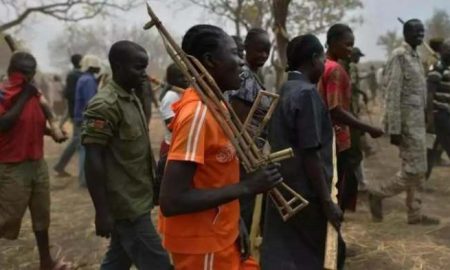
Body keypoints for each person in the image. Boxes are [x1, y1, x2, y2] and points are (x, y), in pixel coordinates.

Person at [159, 24, 281, 270]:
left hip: (221, 232)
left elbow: (215, 177)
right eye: (234, 53)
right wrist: (247, 187)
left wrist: (236, 222)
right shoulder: (197, 116)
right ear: (210, 60)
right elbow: (172, 200)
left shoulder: (218, 106)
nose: (241, 62)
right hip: (202, 243)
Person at [81, 41, 171, 269]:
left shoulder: (131, 98)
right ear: (119, 67)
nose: (144, 74)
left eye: (145, 67)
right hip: (126, 206)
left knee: (118, 260)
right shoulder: (104, 105)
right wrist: (101, 211)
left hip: (137, 197)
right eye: (138, 68)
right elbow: (93, 160)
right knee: (158, 263)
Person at [261, 34, 346, 270]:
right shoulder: (307, 93)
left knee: (288, 252)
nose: (323, 64)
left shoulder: (286, 87)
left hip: (285, 187)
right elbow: (310, 153)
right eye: (322, 59)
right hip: (305, 192)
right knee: (322, 254)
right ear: (313, 59)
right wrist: (327, 201)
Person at [0, 52, 70, 270]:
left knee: (42, 215)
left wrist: (52, 132)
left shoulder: (33, 94)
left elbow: (32, 123)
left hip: (36, 164)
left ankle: (46, 262)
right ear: (15, 73)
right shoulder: (4, 93)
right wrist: (24, 95)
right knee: (7, 220)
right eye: (27, 74)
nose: (29, 78)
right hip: (12, 166)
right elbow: (4, 125)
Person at [368, 19, 440, 225]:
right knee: (413, 169)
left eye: (422, 32)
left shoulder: (416, 56)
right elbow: (392, 92)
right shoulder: (399, 56)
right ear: (406, 33)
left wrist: (427, 117)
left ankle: (415, 212)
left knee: (420, 167)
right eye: (416, 31)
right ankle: (378, 194)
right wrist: (395, 128)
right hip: (407, 124)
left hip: (418, 123)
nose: (420, 35)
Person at [318, 24, 384, 212]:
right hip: (336, 138)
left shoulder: (320, 64)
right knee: (339, 189)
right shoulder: (335, 69)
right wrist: (368, 128)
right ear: (332, 43)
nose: (350, 49)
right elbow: (335, 110)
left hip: (322, 136)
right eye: (347, 45)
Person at [228, 28, 272, 232]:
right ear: (246, 48)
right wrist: (248, 154)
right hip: (245, 154)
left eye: (267, 51)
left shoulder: (253, 74)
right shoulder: (245, 76)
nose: (263, 55)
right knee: (244, 208)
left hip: (251, 152)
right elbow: (239, 122)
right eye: (259, 50)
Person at [155, 63, 189, 204]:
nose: (186, 79)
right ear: (172, 79)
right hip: (171, 148)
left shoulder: (183, 92)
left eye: (186, 75)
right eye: (181, 77)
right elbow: (171, 126)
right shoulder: (171, 96)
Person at [73, 54, 101, 187]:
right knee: (85, 149)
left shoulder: (83, 79)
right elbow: (91, 102)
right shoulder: (89, 81)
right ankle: (85, 180)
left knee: (83, 148)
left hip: (80, 117)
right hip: (86, 118)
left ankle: (84, 179)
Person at [54, 54, 83, 178]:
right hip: (78, 113)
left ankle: (60, 166)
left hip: (76, 111)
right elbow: (70, 94)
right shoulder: (75, 76)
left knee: (78, 140)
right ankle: (60, 166)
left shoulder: (74, 75)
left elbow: (67, 94)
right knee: (77, 140)